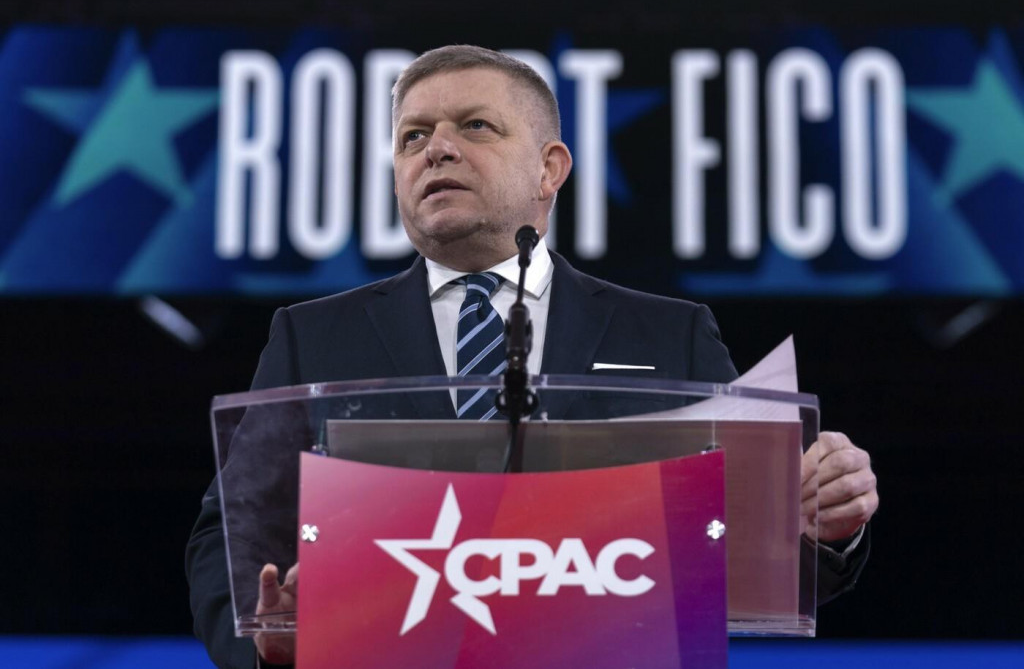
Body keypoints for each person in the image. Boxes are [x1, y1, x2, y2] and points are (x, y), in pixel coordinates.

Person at [187, 45, 879, 669]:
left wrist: (821, 529)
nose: (437, 150)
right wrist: (262, 645)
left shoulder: (670, 334)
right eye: (413, 137)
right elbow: (228, 535)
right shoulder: (313, 337)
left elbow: (752, 542)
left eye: (475, 126)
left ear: (550, 169)